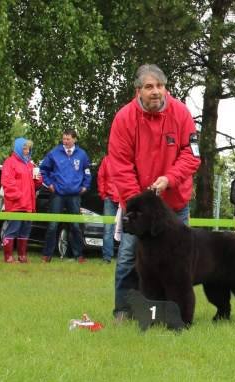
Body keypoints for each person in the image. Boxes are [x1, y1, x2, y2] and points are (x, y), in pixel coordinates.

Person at [108, 64, 200, 322]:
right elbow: (120, 164)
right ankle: (123, 311)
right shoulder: (124, 119)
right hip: (138, 207)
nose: (155, 92)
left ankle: (173, 314)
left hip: (175, 204)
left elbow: (192, 156)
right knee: (129, 258)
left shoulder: (181, 114)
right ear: (138, 90)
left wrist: (169, 179)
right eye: (149, 87)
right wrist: (141, 204)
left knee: (178, 263)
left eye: (160, 86)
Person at [39, 129, 91, 263]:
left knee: (75, 226)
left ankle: (78, 255)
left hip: (74, 195)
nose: (65, 141)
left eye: (68, 139)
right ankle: (47, 255)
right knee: (52, 225)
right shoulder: (54, 153)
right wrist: (49, 184)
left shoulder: (82, 154)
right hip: (58, 194)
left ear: (74, 139)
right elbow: (43, 169)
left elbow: (87, 171)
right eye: (64, 139)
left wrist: (85, 186)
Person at [1, 138, 42, 263]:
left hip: (29, 204)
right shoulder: (9, 162)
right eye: (24, 148)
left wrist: (38, 180)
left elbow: (34, 186)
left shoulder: (29, 164)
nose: (27, 151)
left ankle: (22, 257)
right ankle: (8, 257)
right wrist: (18, 195)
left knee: (25, 230)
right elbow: (7, 182)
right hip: (15, 204)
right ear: (18, 148)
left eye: (28, 148)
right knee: (12, 230)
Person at [97, 155, 119, 264]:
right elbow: (101, 176)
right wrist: (103, 194)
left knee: (128, 229)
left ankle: (125, 257)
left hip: (125, 198)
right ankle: (107, 258)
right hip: (109, 198)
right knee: (108, 229)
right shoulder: (106, 160)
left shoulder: (129, 157)